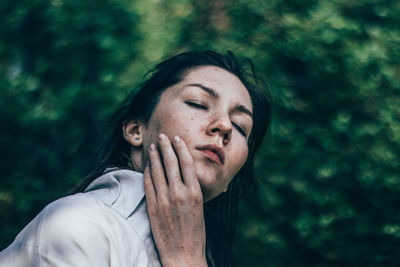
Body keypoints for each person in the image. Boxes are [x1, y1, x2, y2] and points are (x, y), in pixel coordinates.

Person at [0, 51, 271, 266]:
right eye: (198, 103)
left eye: (240, 127)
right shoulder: (79, 225)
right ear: (135, 130)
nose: (223, 125)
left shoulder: (206, 256)